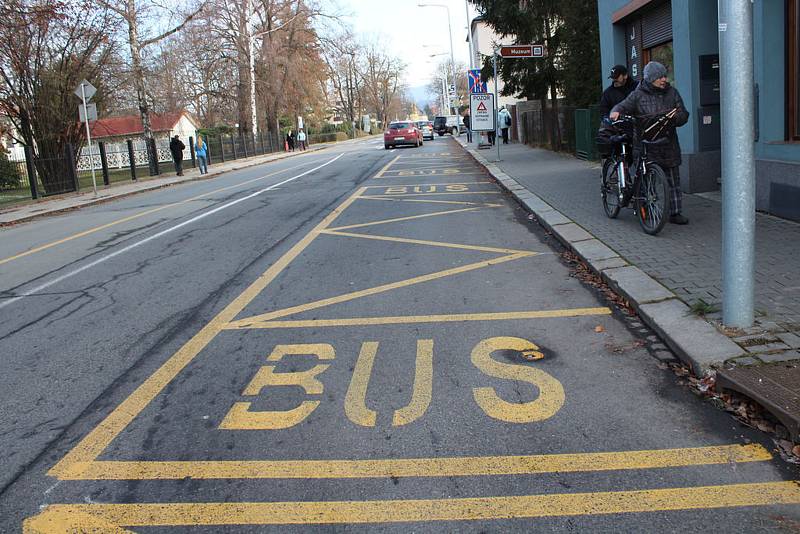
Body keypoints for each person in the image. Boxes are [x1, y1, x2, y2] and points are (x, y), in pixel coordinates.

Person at [610, 61, 690, 225]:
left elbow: (684, 114)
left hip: (668, 143)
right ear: (651, 78)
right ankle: (645, 210)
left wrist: (677, 117)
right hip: (645, 144)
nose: (664, 80)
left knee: (673, 181)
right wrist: (615, 112)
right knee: (646, 181)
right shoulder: (637, 94)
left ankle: (675, 213)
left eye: (664, 76)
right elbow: (622, 106)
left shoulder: (672, 93)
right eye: (660, 77)